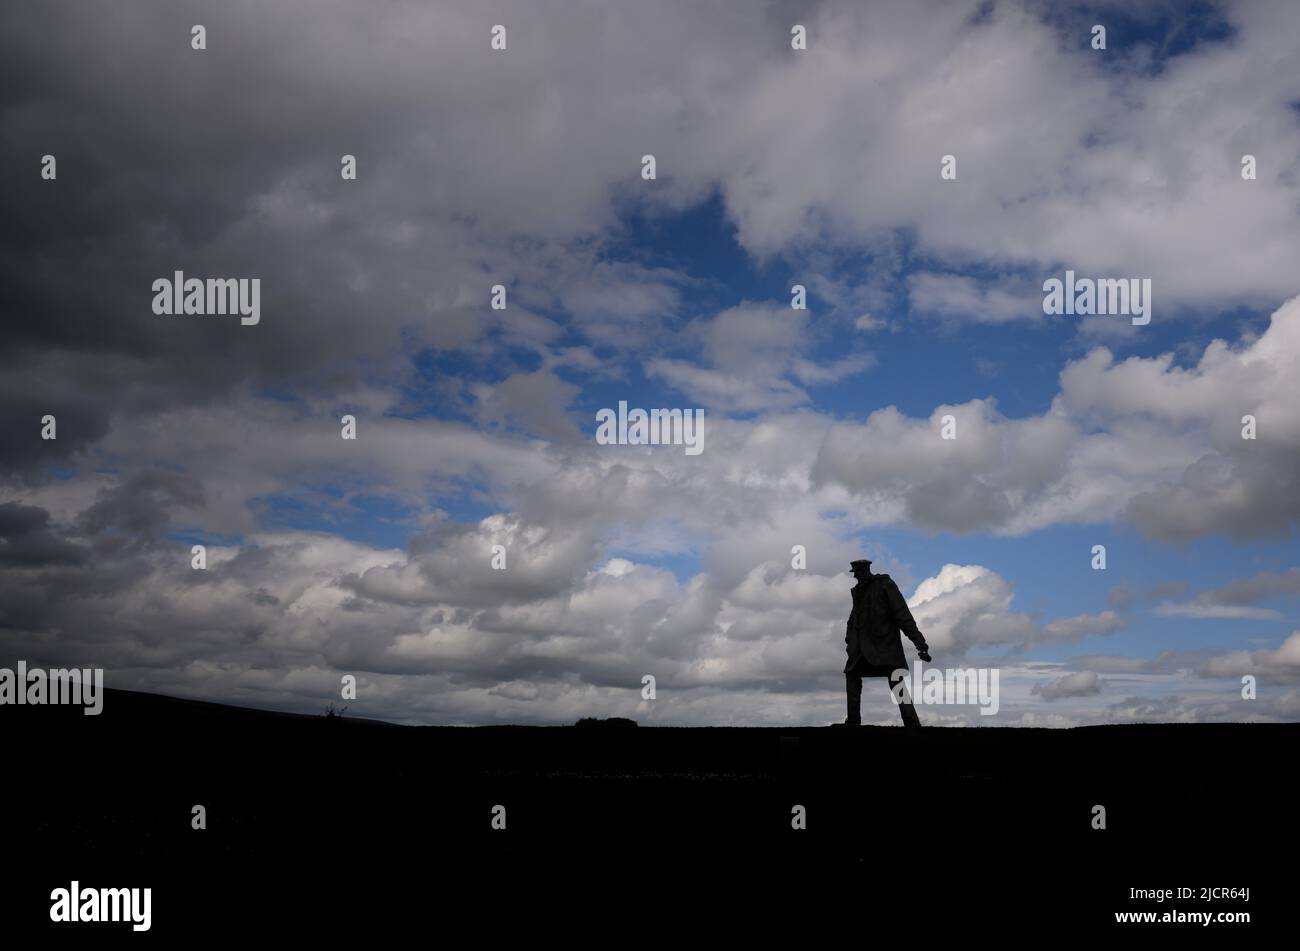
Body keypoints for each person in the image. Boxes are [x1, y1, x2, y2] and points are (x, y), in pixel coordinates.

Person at [837, 559, 931, 728]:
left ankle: (911, 722)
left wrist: (919, 642)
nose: (856, 576)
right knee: (852, 675)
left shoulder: (885, 585)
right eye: (855, 573)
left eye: (858, 572)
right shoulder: (858, 591)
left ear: (866, 571)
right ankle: (853, 721)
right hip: (861, 648)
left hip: (884, 646)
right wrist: (849, 637)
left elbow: (903, 615)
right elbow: (854, 616)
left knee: (896, 680)